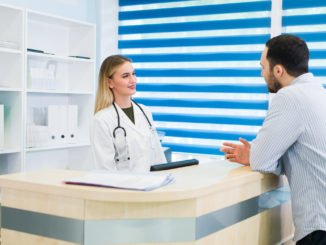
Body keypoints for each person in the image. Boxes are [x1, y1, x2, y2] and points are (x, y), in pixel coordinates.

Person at [220, 34, 326, 244]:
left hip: (318, 227)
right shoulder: (318, 92)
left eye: (263, 67)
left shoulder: (289, 97)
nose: (261, 73)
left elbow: (260, 161)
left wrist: (255, 154)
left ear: (278, 70)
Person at [92, 55, 166, 171]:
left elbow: (159, 157)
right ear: (110, 82)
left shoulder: (145, 111)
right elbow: (106, 169)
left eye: (133, 74)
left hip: (152, 184)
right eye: (125, 76)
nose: (133, 80)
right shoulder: (102, 120)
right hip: (124, 187)